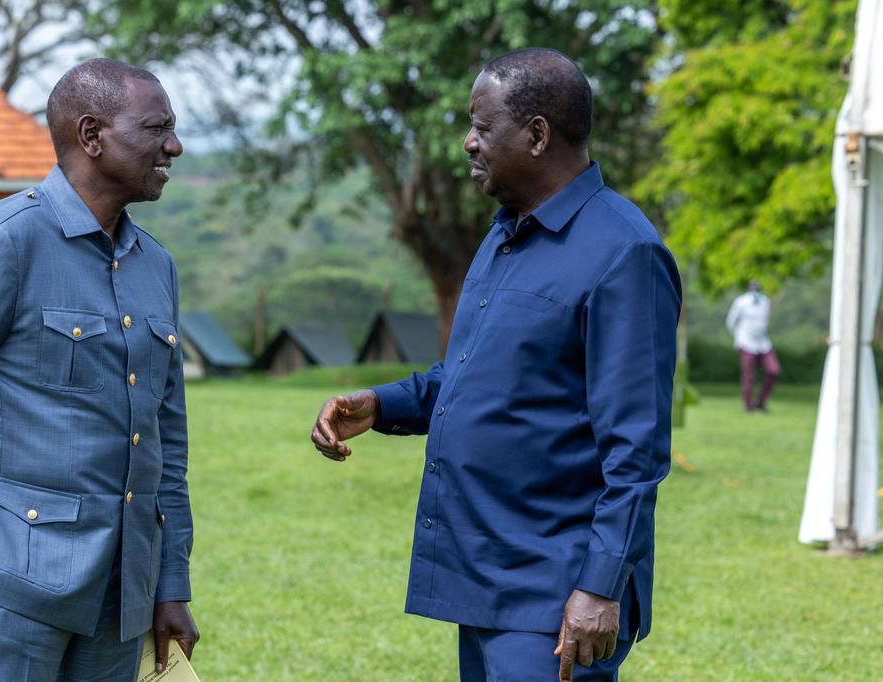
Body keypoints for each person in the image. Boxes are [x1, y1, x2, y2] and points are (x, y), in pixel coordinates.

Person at [311, 48, 680, 682]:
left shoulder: (624, 253)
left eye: (483, 127)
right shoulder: (507, 232)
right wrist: (384, 403)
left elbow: (636, 452)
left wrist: (599, 586)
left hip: (555, 594)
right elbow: (478, 373)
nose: (467, 142)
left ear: (537, 135)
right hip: (486, 577)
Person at [0, 58, 198, 681]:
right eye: (156, 128)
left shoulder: (156, 266)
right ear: (91, 135)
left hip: (125, 600)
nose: (174, 145)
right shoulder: (4, 242)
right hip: (12, 590)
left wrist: (168, 582)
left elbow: (166, 445)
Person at [726, 280, 780, 411]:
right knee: (749, 375)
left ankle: (761, 402)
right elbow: (731, 322)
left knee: (773, 370)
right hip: (746, 342)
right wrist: (739, 337)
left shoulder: (765, 302)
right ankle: (748, 406)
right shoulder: (741, 302)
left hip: (762, 342)